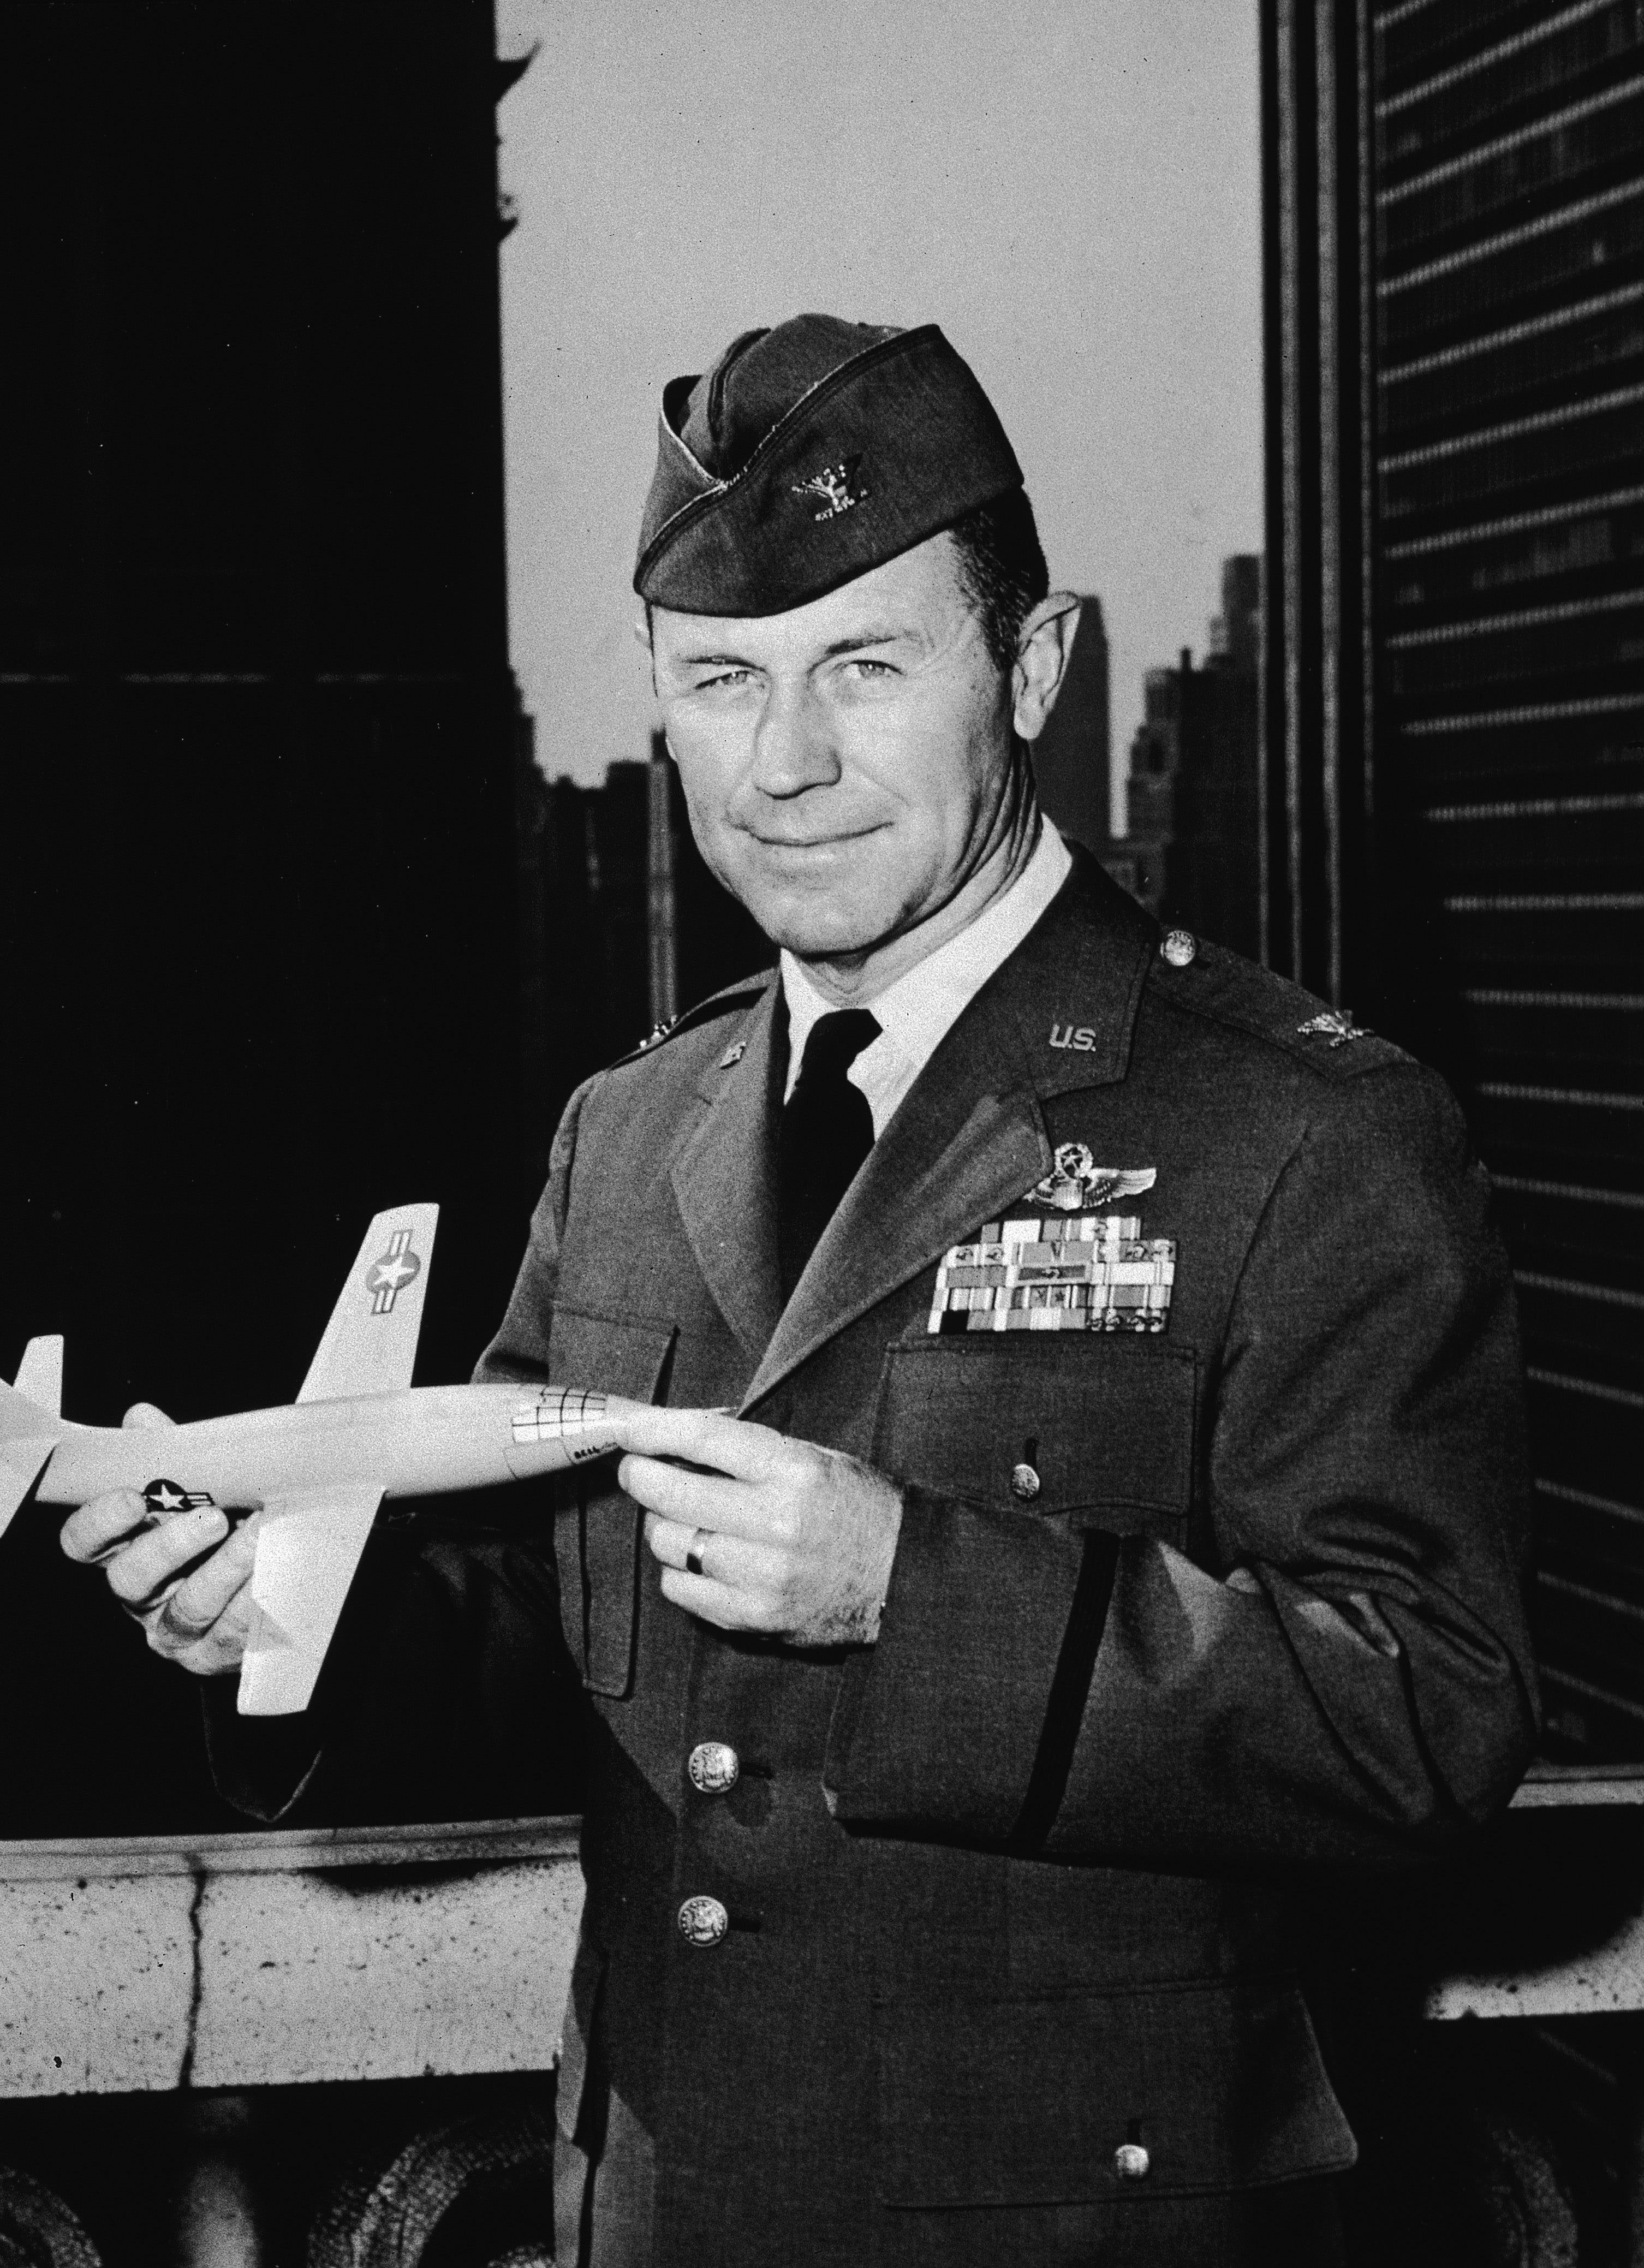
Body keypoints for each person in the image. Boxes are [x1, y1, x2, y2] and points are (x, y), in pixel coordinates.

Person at [64, 316, 1538, 2267]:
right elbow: (536, 1608)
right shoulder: (631, 1126)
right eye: (722, 681)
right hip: (664, 2204)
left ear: (1028, 664)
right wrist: (303, 1613)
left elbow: (1429, 1718)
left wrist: (910, 1594)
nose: (789, 765)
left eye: (864, 664)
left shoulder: (1298, 1124)